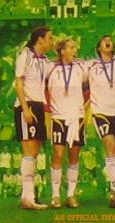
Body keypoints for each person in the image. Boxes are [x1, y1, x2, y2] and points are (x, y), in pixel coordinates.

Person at [44, 36, 88, 209]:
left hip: (76, 117)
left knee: (74, 156)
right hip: (58, 117)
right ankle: (55, 195)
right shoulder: (50, 68)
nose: (75, 51)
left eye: (75, 48)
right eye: (71, 47)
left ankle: (70, 195)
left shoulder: (81, 67)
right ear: (62, 51)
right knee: (58, 155)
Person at [14, 26, 54, 209]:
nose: (51, 42)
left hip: (38, 106)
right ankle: (28, 197)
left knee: (35, 152)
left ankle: (28, 196)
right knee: (29, 151)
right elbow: (19, 82)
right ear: (40, 39)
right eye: (49, 38)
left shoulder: (45, 60)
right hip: (27, 105)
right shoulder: (26, 55)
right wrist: (25, 109)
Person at [86, 35, 115, 208]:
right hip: (101, 112)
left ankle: (114, 191)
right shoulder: (90, 65)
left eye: (111, 39)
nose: (108, 41)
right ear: (98, 47)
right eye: (104, 40)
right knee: (109, 146)